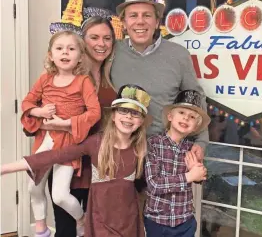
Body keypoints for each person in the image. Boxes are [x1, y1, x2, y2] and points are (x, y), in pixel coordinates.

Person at [2, 84, 151, 237]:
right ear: (113, 115)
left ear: (141, 121)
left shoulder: (142, 150)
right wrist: (5, 168)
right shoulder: (96, 143)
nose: (128, 117)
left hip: (129, 223)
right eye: (123, 111)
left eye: (135, 113)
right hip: (100, 223)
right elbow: (53, 156)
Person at [110, 0, 209, 163]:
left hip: (163, 154)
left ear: (157, 22)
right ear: (123, 22)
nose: (140, 22)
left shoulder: (178, 55)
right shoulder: (111, 53)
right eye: (133, 16)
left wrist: (201, 141)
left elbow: (196, 96)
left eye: (147, 15)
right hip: (119, 151)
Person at [39, 8, 118, 237]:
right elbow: (35, 122)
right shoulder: (59, 80)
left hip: (100, 167)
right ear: (81, 42)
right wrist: (50, 123)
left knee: (97, 229)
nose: (101, 44)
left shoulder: (112, 81)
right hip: (67, 164)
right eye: (94, 37)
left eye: (107, 38)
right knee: (66, 229)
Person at [21, 22, 101, 237]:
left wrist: (66, 124)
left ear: (80, 57)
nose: (65, 52)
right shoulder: (45, 79)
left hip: (68, 144)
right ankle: (41, 228)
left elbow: (94, 113)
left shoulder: (83, 81)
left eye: (71, 48)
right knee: (33, 187)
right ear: (51, 55)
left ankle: (81, 219)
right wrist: (39, 113)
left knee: (60, 196)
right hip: (45, 139)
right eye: (59, 48)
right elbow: (27, 102)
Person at [144, 89, 210, 237]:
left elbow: (201, 176)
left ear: (195, 127)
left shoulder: (192, 148)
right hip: (157, 221)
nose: (186, 118)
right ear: (170, 117)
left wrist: (199, 175)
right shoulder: (154, 144)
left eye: (192, 117)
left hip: (184, 221)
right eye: (181, 113)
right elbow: (153, 184)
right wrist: (188, 176)